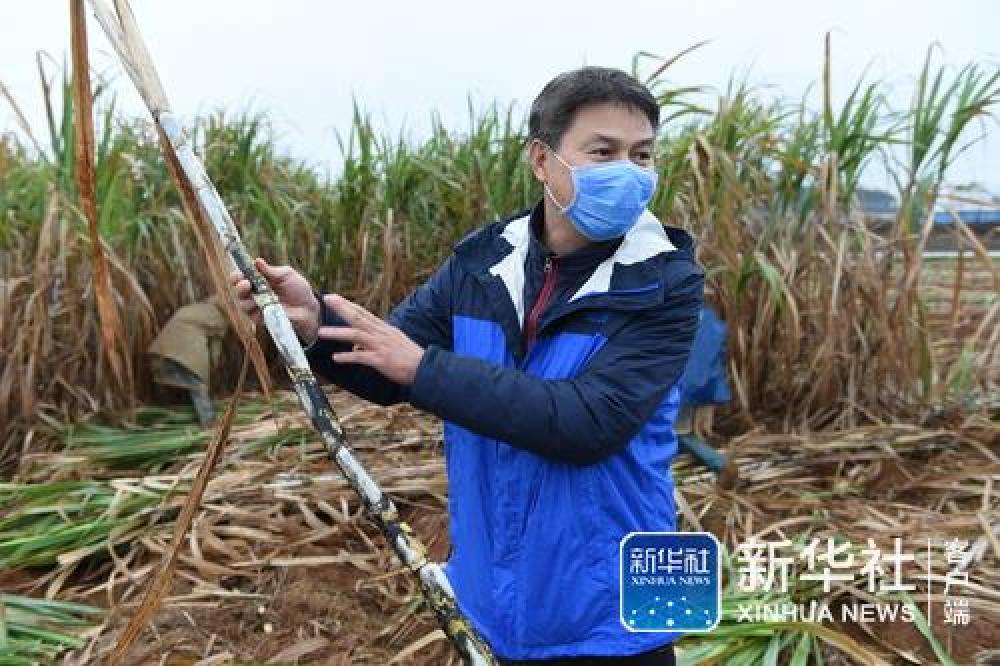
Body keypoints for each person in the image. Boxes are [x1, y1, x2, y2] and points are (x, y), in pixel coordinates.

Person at [232, 66, 704, 665]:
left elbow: (587, 424)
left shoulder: (664, 283)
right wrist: (312, 324)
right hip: (498, 596)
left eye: (642, 155)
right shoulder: (485, 263)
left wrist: (424, 369)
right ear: (542, 160)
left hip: (612, 612)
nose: (628, 173)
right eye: (602, 151)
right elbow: (388, 364)